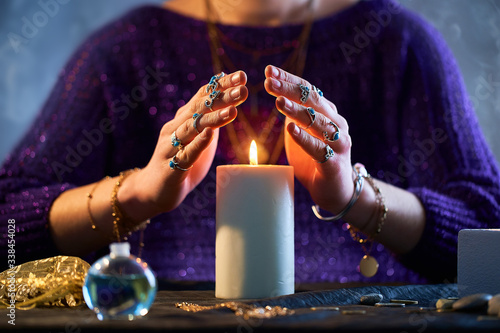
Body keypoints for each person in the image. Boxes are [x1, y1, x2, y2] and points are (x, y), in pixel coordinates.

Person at [1, 0, 499, 284]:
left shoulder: (398, 44)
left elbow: (487, 246)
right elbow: (7, 231)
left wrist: (355, 197)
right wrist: (135, 195)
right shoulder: (123, 51)